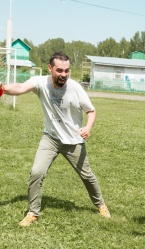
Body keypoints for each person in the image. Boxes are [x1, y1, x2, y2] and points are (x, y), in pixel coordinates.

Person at [0, 52, 111, 226]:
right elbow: (20, 88)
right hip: (50, 138)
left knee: (87, 176)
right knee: (37, 172)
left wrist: (88, 127)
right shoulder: (40, 82)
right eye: (59, 70)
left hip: (74, 140)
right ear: (50, 68)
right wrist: (3, 88)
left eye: (67, 71)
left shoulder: (75, 88)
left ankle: (101, 205)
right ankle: (33, 212)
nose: (63, 75)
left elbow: (91, 110)